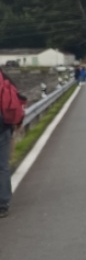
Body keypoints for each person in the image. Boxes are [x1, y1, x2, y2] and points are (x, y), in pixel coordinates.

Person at [0, 66, 28, 217]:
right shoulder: (5, 78)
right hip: (3, 126)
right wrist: (17, 122)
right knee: (2, 166)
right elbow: (18, 100)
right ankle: (3, 204)